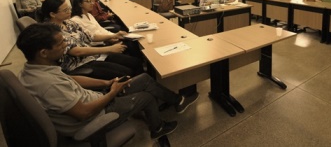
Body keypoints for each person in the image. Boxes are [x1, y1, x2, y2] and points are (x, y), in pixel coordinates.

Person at [16, 23, 199, 140]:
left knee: (143, 78)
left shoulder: (34, 68)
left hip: (96, 97)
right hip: (97, 114)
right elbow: (83, 113)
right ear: (43, 52)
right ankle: (158, 127)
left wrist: (106, 83)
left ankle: (177, 101)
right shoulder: (48, 84)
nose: (66, 45)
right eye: (60, 44)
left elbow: (71, 79)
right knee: (145, 96)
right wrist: (112, 92)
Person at [41, 0, 142, 79]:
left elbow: (90, 36)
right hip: (80, 65)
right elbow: (76, 51)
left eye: (69, 8)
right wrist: (109, 49)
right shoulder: (52, 31)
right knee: (127, 72)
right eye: (65, 10)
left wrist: (114, 35)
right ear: (52, 14)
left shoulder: (69, 23)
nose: (69, 11)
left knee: (135, 62)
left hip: (92, 57)